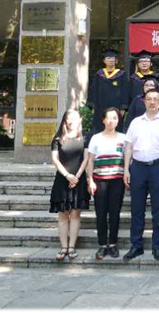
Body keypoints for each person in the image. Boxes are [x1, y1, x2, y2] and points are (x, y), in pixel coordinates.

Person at [123, 89, 159, 261]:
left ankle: (157, 247)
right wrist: (126, 169)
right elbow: (128, 147)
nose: (152, 102)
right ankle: (136, 246)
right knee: (136, 209)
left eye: (155, 99)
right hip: (138, 168)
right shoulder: (135, 122)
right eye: (149, 99)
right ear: (144, 102)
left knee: (158, 209)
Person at [49, 109, 90, 261]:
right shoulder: (58, 139)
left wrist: (76, 177)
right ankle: (63, 247)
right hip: (62, 180)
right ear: (65, 120)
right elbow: (55, 160)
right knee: (63, 215)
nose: (71, 121)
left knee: (75, 214)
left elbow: (86, 159)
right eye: (68, 118)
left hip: (79, 180)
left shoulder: (85, 138)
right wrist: (68, 176)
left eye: (74, 118)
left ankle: (72, 247)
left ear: (80, 120)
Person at [86, 108, 126, 260]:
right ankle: (102, 245)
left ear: (118, 120)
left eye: (114, 118)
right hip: (100, 180)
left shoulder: (123, 138)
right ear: (103, 120)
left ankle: (113, 244)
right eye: (108, 118)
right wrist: (90, 180)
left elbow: (127, 158)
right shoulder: (96, 138)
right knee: (101, 213)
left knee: (115, 213)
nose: (111, 121)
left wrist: (126, 176)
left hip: (117, 180)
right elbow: (90, 161)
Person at [87, 48, 129, 135]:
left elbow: (125, 91)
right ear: (104, 61)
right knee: (99, 127)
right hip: (100, 107)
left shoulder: (121, 75)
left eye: (113, 58)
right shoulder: (99, 74)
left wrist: (123, 107)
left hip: (116, 107)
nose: (111, 60)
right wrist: (92, 105)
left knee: (116, 127)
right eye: (108, 58)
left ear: (116, 61)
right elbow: (94, 90)